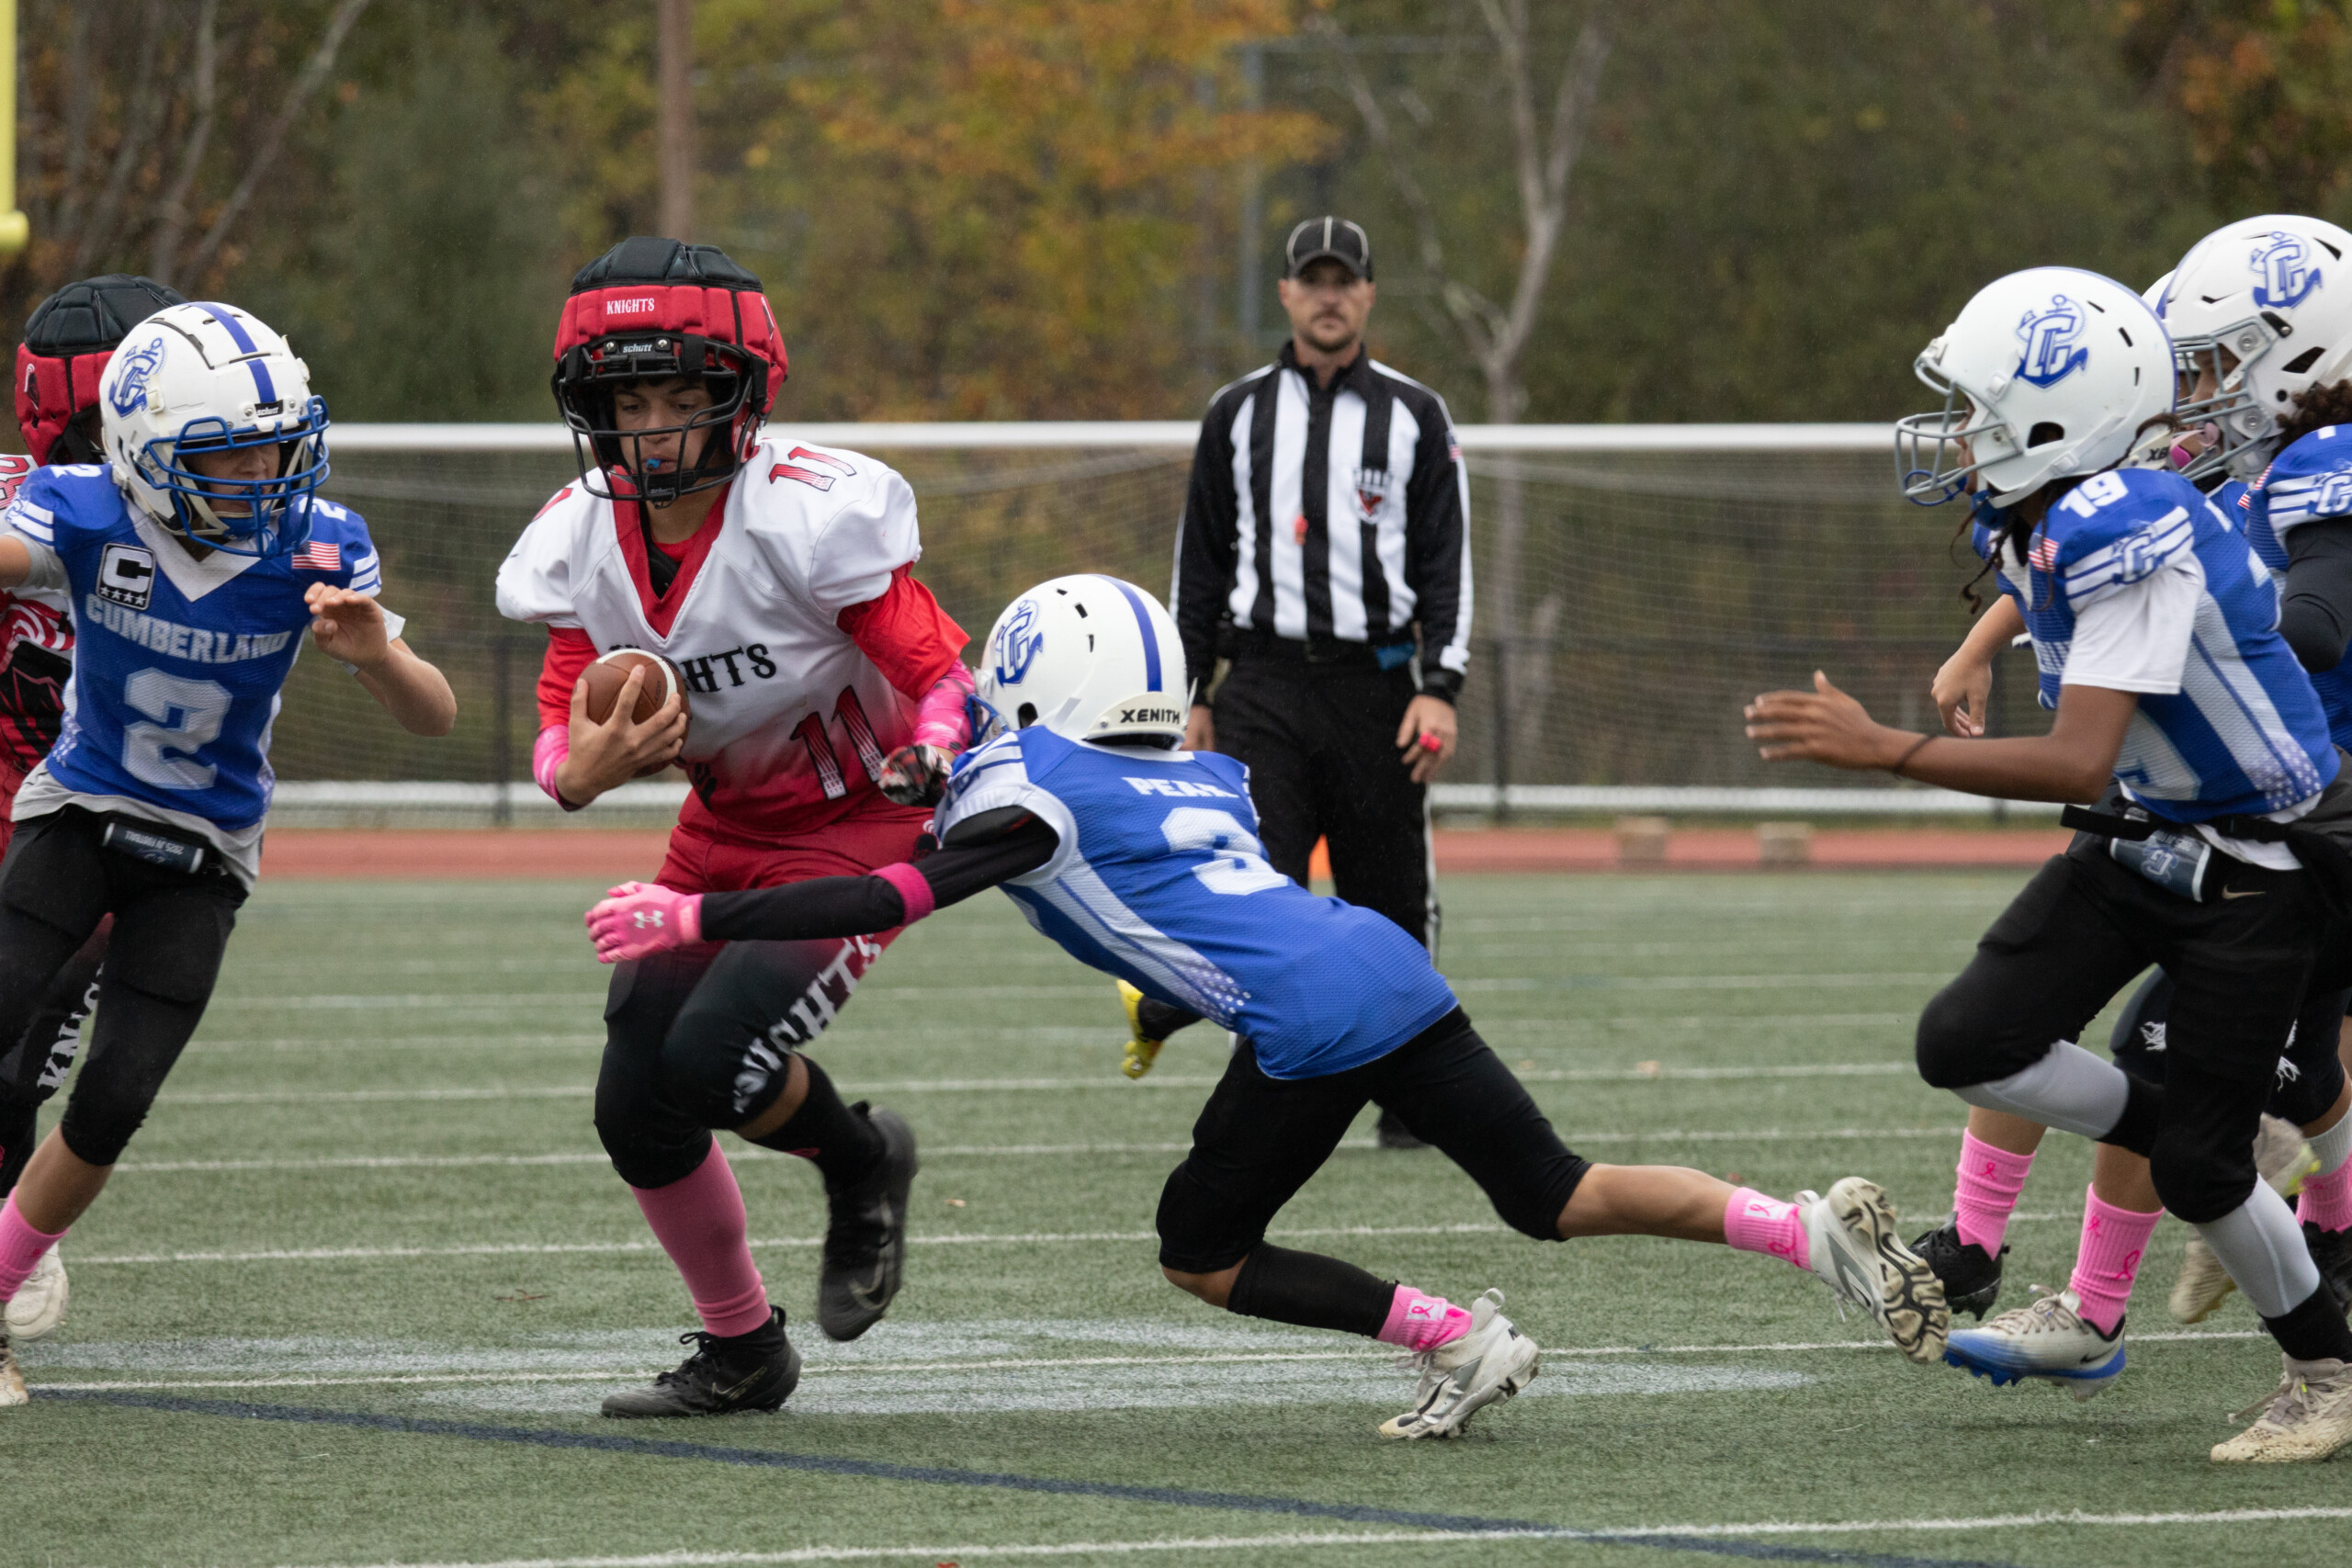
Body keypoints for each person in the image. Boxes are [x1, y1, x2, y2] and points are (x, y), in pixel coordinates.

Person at [586, 574, 1951, 1440]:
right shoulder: (1209, 773)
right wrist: (1158, 1007)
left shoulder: (1035, 792)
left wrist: (695, 916)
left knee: (1201, 1250)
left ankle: (1455, 1337)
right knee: (1555, 1188)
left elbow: (883, 893)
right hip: (1381, 962)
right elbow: (1200, 906)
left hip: (1308, 1021)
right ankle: (1801, 1228)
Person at [1748, 264, 2352, 1461]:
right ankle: (2198, 1126)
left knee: (2197, 1172)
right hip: (2156, 833)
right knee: (1965, 1040)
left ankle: (2324, 1372)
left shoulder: (2129, 526)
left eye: (1978, 410)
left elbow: (2079, 755)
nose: (1956, 435)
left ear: (2052, 420)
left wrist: (1886, 750)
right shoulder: (2055, 512)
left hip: (2267, 863)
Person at [496, 237, 977, 1419]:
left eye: (679, 398)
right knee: (633, 1109)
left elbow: (942, 672)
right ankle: (744, 1349)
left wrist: (935, 748)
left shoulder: (806, 515)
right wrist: (570, 771)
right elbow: (558, 718)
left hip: (858, 827)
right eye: (628, 404)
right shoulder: (580, 534)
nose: (653, 430)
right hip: (718, 830)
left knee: (714, 1060)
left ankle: (861, 1159)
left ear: (738, 394)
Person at [1911, 225, 2352, 1377]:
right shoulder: (2204, 479)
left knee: (2202, 1071)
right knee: (2059, 1036)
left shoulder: (2326, 465)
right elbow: (2082, 558)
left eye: (2214, 364)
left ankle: (2157, 1293)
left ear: (2304, 351)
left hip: (2296, 819)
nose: (2194, 393)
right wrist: (1994, 635)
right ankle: (2030, 1256)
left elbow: (2310, 628)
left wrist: (2211, 619)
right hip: (2196, 805)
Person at [0, 299, 456, 1405]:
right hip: (78, 809)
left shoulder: (318, 544)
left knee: (114, 1100)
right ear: (141, 455)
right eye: (229, 455)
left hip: (206, 849)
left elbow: (433, 714)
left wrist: (376, 655)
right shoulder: (86, 508)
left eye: (276, 448)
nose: (264, 476)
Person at [1144, 218, 1468, 1154]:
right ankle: (1270, 1093)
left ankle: (1409, 1099)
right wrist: (1191, 696)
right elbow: (1199, 568)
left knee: (1389, 899)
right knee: (1255, 892)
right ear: (1286, 293)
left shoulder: (1416, 415)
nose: (1329, 296)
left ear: (1368, 294)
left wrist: (1440, 683)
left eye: (1345, 280)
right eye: (1312, 280)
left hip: (1378, 690)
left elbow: (1448, 562)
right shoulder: (1235, 413)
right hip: (1263, 689)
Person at [0, 274, 188, 1349]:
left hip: (108, 824)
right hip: (19, 803)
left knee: (25, 1054)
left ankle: (14, 1224)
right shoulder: (31, 509)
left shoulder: (223, 515)